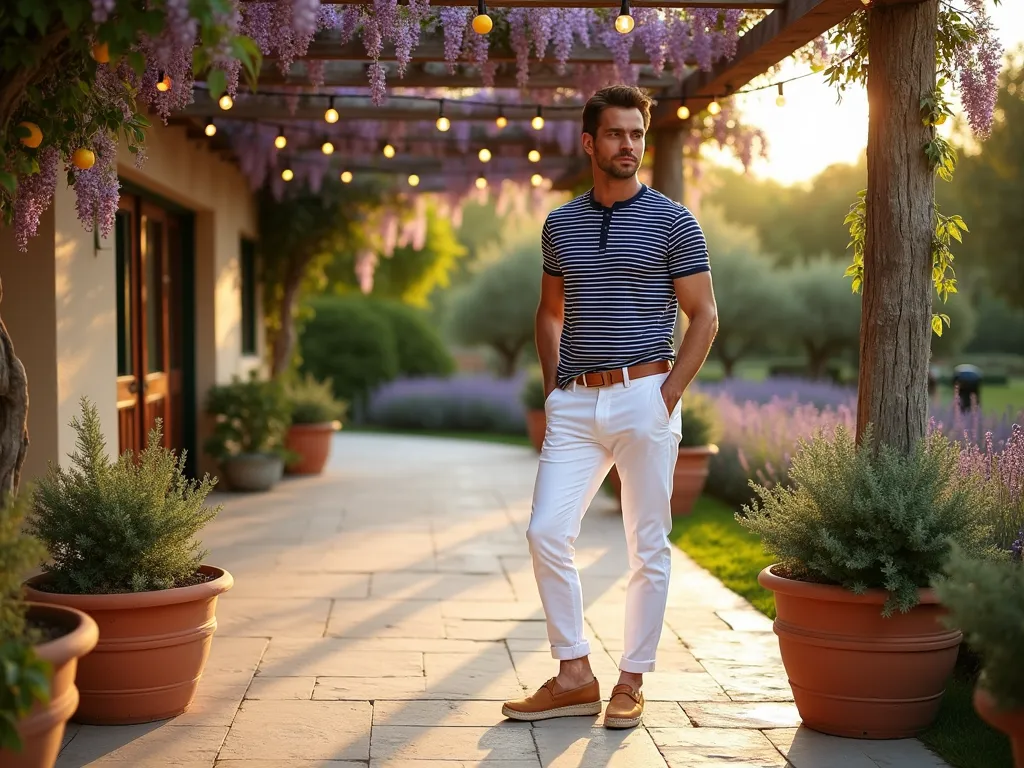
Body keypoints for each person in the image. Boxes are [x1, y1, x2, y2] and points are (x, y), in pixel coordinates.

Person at [501, 85, 719, 730]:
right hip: (575, 403)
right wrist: (553, 388)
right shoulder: (560, 223)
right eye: (617, 134)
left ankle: (631, 679)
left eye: (636, 134)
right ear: (590, 142)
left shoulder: (675, 221)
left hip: (644, 396)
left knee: (645, 545)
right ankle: (574, 674)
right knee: (546, 532)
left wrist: (668, 394)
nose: (628, 145)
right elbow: (549, 312)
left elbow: (704, 316)